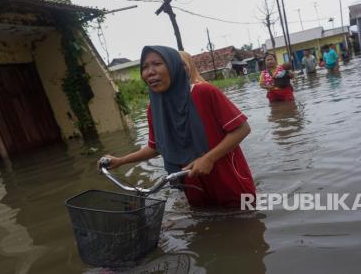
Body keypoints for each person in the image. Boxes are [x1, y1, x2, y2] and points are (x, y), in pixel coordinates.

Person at [100, 46, 256, 208]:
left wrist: (208, 158)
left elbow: (242, 129)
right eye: (144, 67)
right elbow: (155, 147)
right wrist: (120, 161)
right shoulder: (153, 109)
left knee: (246, 222)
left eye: (157, 64)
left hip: (228, 180)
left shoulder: (204, 92)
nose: (150, 72)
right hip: (192, 187)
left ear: (174, 66)